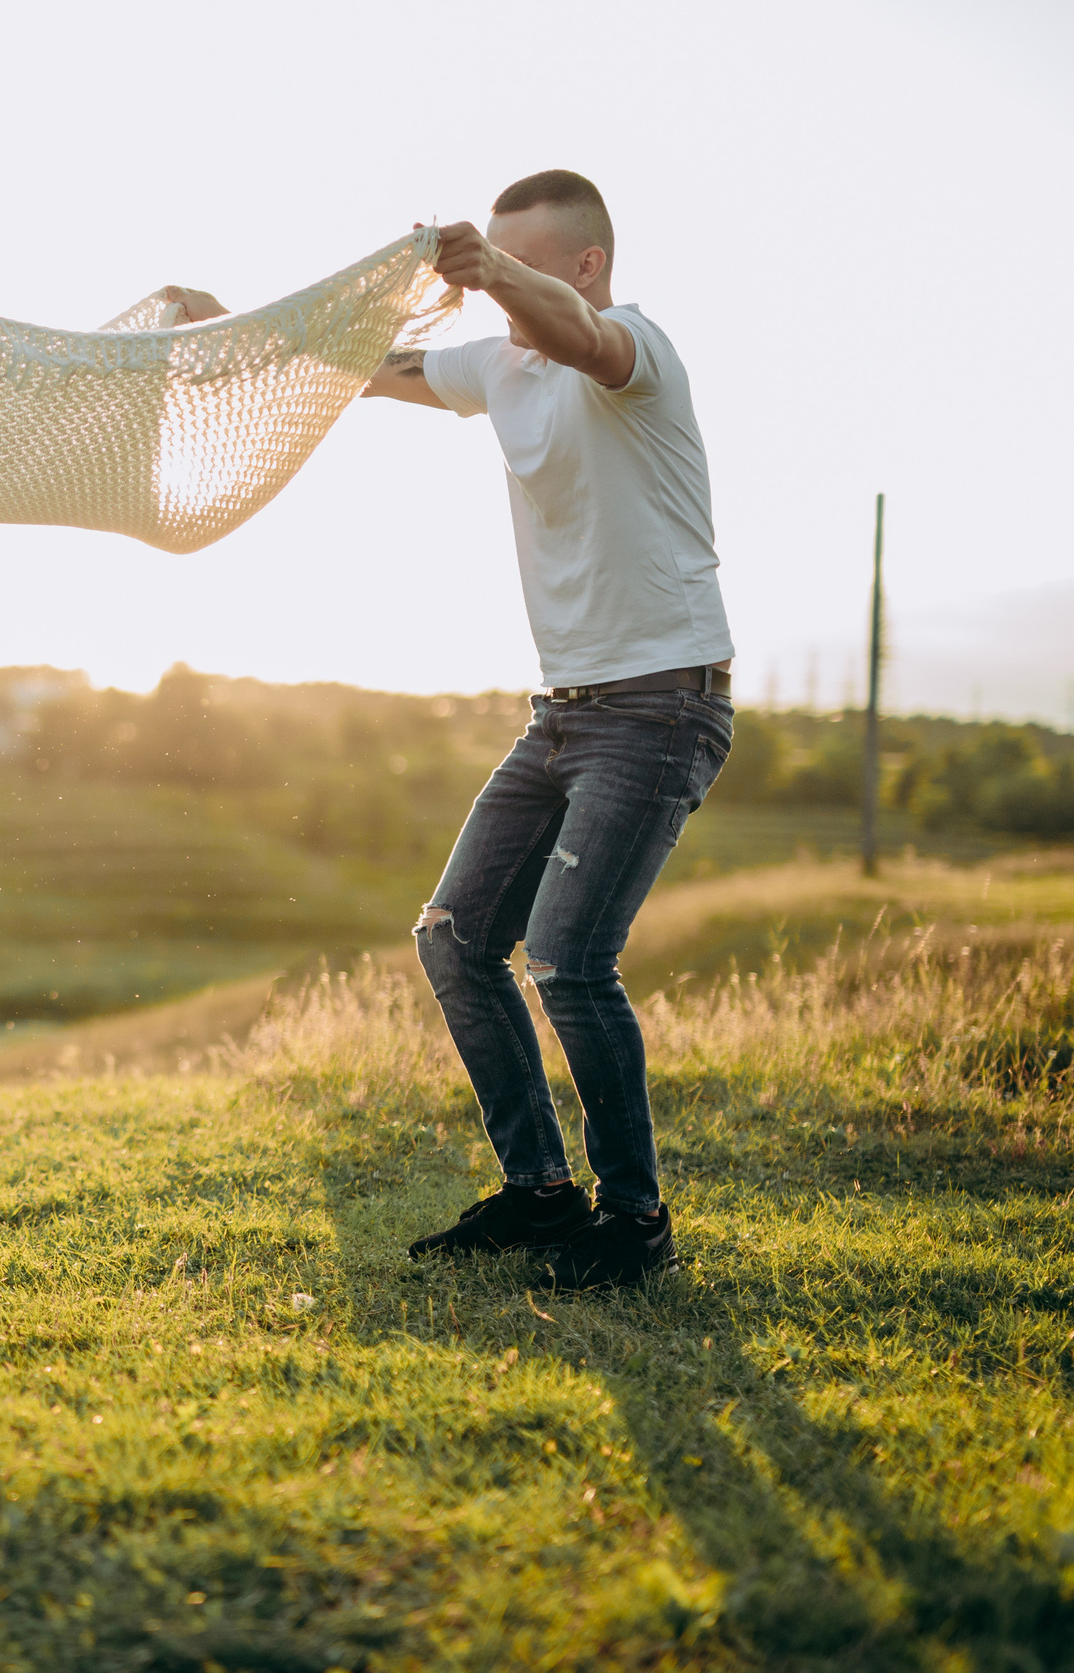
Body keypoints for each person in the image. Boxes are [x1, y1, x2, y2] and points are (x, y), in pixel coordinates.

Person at [360, 169, 736, 1289]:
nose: (498, 303)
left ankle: (634, 1220)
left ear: (581, 266)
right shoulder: (497, 363)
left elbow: (574, 334)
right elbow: (360, 374)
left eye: (520, 271)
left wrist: (501, 277)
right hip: (564, 712)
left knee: (569, 961)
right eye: (491, 275)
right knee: (453, 938)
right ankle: (537, 1193)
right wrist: (222, 332)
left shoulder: (631, 345)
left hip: (662, 702)